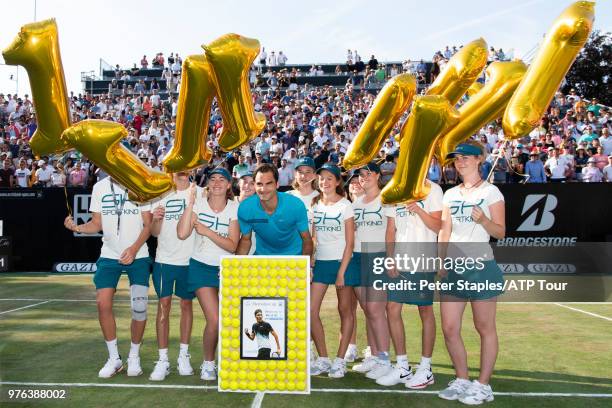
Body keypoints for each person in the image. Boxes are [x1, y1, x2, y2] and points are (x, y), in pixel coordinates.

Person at [63, 177, 152, 378]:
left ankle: (134, 356)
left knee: (139, 307)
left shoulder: (140, 183)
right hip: (109, 255)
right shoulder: (100, 187)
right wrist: (77, 228)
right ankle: (114, 358)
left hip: (138, 256)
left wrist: (134, 249)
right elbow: (96, 224)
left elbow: (148, 225)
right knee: (103, 304)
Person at [438, 142, 505, 404]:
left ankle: (483, 385)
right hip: (453, 269)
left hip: (481, 268)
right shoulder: (450, 194)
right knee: (450, 327)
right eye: (457, 159)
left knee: (484, 327)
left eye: (466, 157)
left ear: (479, 159)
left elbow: (500, 232)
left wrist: (484, 221)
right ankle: (462, 379)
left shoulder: (492, 192)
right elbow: (445, 230)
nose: (461, 162)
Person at [177, 168, 240, 381]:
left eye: (222, 179)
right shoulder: (199, 205)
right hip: (201, 267)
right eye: (213, 179)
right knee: (214, 319)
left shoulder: (234, 208)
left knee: (230, 320)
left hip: (226, 270)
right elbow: (182, 233)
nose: (217, 183)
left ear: (229, 185)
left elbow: (232, 245)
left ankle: (230, 362)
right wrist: (191, 203)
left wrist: (206, 231)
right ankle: (208, 363)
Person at [379, 178, 442, 388]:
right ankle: (403, 366)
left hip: (423, 259)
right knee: (392, 308)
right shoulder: (394, 189)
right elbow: (390, 229)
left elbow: (438, 225)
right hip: (399, 260)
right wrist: (390, 257)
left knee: (425, 310)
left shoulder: (433, 188)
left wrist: (419, 210)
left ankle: (426, 368)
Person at [310, 163, 357, 379]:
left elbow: (350, 242)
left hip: (342, 262)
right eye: (322, 178)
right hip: (321, 263)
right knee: (310, 311)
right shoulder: (315, 204)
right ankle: (323, 359)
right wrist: (310, 262)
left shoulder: (346, 205)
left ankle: (339, 361)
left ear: (338, 182)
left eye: (330, 178)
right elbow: (313, 238)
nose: (325, 182)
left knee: (345, 311)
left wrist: (341, 272)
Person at [148, 172, 196, 381]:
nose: (182, 171)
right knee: (163, 307)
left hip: (190, 260)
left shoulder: (199, 192)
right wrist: (156, 219)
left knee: (186, 305)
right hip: (164, 260)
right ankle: (163, 359)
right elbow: (154, 232)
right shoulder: (160, 194)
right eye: (178, 167)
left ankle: (184, 356)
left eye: (186, 167)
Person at [348, 163, 393, 382]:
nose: (363, 177)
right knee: (368, 309)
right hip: (358, 257)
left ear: (377, 175)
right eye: (360, 174)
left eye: (368, 173)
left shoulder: (386, 199)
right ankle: (375, 356)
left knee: (376, 309)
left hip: (378, 257)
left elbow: (392, 232)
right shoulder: (356, 203)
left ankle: (385, 359)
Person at [236, 163, 313, 256]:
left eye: (268, 184)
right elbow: (245, 240)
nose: (263, 189)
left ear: (277, 184)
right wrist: (234, 267)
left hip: (294, 256)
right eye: (259, 184)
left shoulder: (295, 205)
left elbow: (307, 239)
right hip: (263, 256)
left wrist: (306, 265)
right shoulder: (245, 208)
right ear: (255, 185)